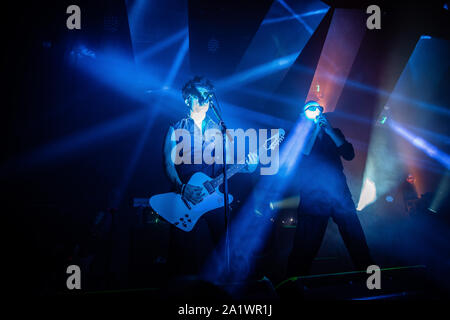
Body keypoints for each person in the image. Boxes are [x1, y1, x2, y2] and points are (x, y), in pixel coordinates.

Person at [163, 76, 258, 277]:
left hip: (215, 198)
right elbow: (168, 164)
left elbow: (234, 165)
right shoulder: (176, 127)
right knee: (182, 257)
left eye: (208, 95)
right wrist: (182, 187)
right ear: (188, 99)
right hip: (185, 198)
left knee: (226, 249)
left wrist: (251, 165)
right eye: (200, 95)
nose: (206, 99)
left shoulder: (219, 129)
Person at [287, 101, 373, 276]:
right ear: (303, 115)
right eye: (310, 110)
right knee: (305, 244)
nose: (315, 112)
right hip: (313, 197)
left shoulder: (334, 133)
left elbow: (349, 154)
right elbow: (303, 155)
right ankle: (292, 283)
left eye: (317, 109)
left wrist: (330, 131)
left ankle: (372, 281)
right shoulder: (299, 135)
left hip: (338, 193)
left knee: (356, 239)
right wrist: (316, 131)